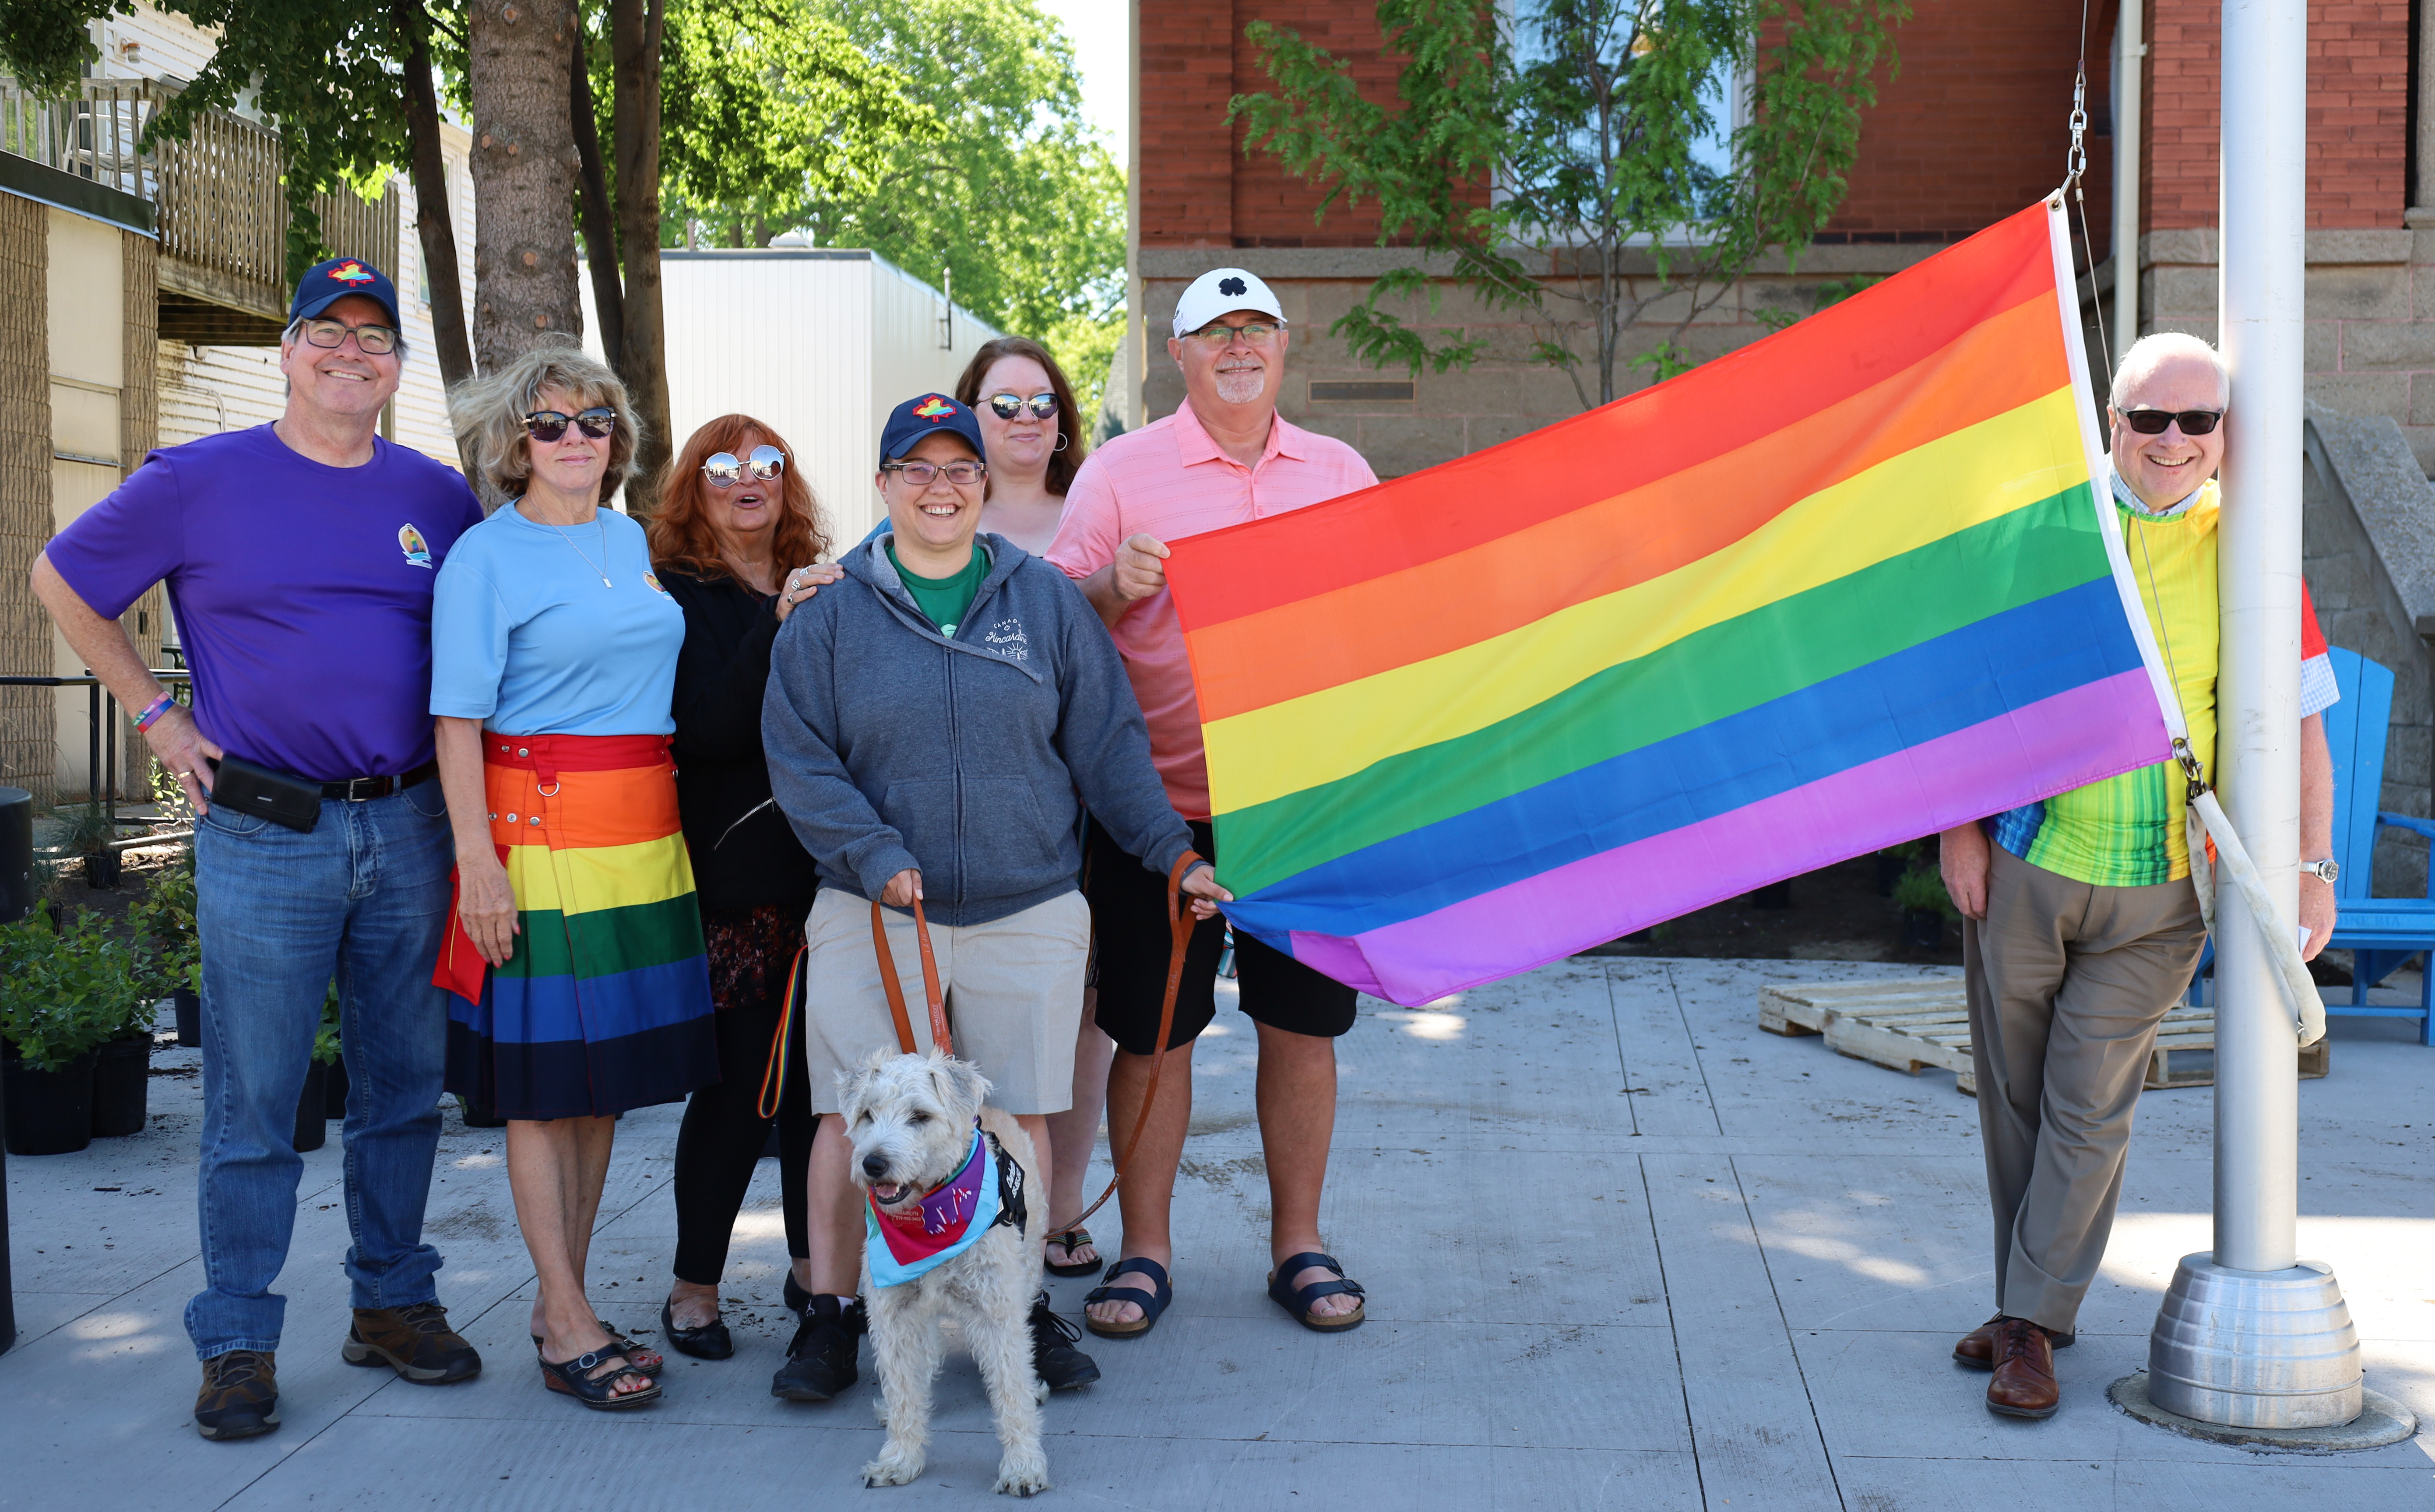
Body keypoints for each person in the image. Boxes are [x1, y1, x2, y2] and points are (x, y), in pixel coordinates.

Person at [31, 257, 487, 1441]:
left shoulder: (438, 498)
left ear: (396, 364)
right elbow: (61, 577)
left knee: (399, 1088)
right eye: (326, 332)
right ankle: (237, 1333)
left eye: (375, 336)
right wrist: (155, 713)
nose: (351, 351)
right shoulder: (197, 479)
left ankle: (391, 1300)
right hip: (266, 827)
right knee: (254, 1099)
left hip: (410, 823)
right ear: (285, 352)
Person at [760, 391, 1231, 1403]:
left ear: (985, 483)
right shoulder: (829, 610)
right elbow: (799, 759)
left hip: (1028, 905)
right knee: (852, 1120)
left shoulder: (1048, 601)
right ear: (883, 485)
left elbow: (1107, 747)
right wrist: (874, 851)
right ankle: (833, 1315)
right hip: (871, 908)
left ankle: (1019, 1306)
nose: (941, 487)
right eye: (917, 470)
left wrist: (1172, 855)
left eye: (959, 468)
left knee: (1016, 1117)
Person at [1936, 331, 2341, 1420]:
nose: (2172, 440)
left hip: (2165, 887)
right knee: (2015, 1100)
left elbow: (2303, 721)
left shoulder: (2253, 549)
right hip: (2025, 860)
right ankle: (2024, 1300)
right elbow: (1971, 691)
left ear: (2225, 436)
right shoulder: (2050, 533)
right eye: (2148, 418)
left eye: (2197, 420)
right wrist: (1957, 831)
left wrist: (2312, 865)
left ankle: (2033, 1328)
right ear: (2110, 422)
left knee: (2088, 1104)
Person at [1045, 267, 1381, 1338]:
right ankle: (1146, 1251)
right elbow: (1050, 622)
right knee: (1153, 1032)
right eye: (1215, 332)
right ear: (1175, 354)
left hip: (1304, 806)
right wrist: (1111, 589)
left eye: (1257, 330)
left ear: (1286, 347)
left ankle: (1299, 1243)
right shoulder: (1119, 472)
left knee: (1303, 1027)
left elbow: (1391, 618)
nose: (1239, 346)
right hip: (1157, 814)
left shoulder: (1339, 470)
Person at [431, 345, 719, 1411]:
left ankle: (567, 1301)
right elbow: (456, 717)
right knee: (545, 1093)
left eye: (593, 421)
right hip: (536, 839)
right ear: (515, 443)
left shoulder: (633, 539)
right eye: (549, 424)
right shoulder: (484, 557)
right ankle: (565, 1312)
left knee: (603, 1090)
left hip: (642, 838)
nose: (574, 440)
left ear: (619, 438)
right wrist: (477, 865)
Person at [646, 416, 842, 1362]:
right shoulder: (678, 593)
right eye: (723, 467)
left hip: (828, 877)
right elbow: (708, 725)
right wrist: (779, 624)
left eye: (770, 462)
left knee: (820, 1091)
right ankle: (695, 1282)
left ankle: (813, 1269)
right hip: (735, 881)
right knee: (734, 1090)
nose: (747, 479)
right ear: (695, 487)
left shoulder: (824, 579)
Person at [952, 336, 1111, 1278]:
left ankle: (1060, 1208)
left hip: (1082, 803)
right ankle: (973, 1210)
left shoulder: (1097, 507)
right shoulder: (930, 511)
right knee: (975, 1028)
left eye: (1043, 403)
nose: (1026, 420)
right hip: (965, 812)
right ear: (967, 412)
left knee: (1078, 1021)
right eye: (1004, 403)